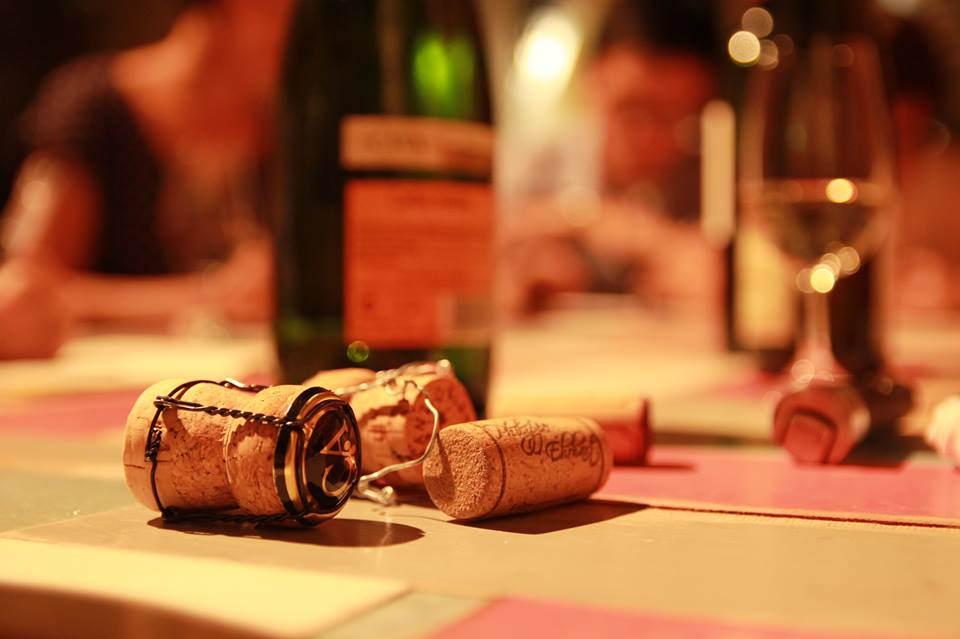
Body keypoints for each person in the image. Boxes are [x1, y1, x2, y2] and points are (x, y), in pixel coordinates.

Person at [0, 0, 293, 358]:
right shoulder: (94, 109)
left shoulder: (276, 121)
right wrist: (208, 296)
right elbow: (24, 289)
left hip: (225, 367)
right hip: (102, 377)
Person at [500, 0, 722, 317]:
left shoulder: (710, 177)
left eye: (677, 118)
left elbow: (724, 280)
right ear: (591, 81)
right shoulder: (535, 162)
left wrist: (642, 238)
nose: (651, 137)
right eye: (633, 109)